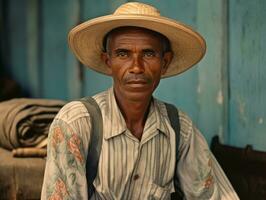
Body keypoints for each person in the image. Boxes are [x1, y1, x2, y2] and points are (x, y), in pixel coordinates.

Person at [41, 2, 239, 200]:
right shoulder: (77, 123)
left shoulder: (179, 128)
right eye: (123, 54)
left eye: (149, 53)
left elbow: (215, 195)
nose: (136, 67)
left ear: (165, 62)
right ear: (108, 61)